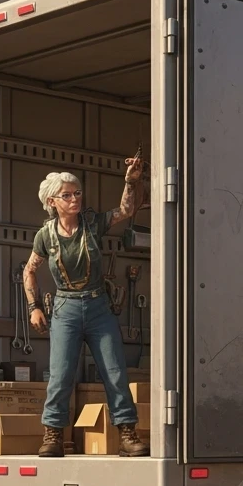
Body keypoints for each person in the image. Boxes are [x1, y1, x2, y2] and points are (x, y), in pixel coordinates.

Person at [24, 157, 148, 457]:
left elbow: (126, 210)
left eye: (77, 193)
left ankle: (127, 434)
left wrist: (131, 180)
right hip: (65, 307)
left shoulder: (92, 223)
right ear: (52, 201)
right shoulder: (46, 236)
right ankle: (53, 435)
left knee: (114, 370)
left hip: (98, 306)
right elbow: (29, 270)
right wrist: (34, 307)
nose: (75, 198)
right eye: (67, 195)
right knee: (60, 374)